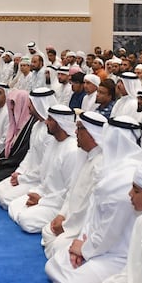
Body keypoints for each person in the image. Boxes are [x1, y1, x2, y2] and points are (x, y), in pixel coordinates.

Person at [44, 116, 142, 283]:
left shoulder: (128, 177)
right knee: (52, 265)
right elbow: (93, 215)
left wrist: (84, 250)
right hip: (94, 243)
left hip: (118, 255)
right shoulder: (113, 169)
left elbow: (111, 232)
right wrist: (82, 242)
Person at [8, 104, 84, 233]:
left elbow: (69, 192)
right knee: (13, 205)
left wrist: (42, 201)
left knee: (26, 220)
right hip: (44, 194)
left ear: (59, 123)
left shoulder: (72, 151)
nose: (46, 122)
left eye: (50, 119)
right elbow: (45, 173)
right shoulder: (54, 142)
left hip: (58, 204)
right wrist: (38, 193)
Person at [42, 111, 107, 259]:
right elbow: (72, 192)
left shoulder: (100, 164)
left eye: (79, 128)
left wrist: (66, 226)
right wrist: (61, 215)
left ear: (92, 133)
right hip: (69, 220)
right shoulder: (84, 154)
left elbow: (88, 208)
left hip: (80, 227)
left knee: (56, 246)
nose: (75, 132)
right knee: (47, 231)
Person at [0, 89, 36, 192]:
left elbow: (21, 155)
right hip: (10, 160)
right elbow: (10, 145)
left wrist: (1, 161)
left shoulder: (30, 126)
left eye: (15, 104)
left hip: (19, 165)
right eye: (11, 104)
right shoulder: (16, 123)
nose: (12, 107)